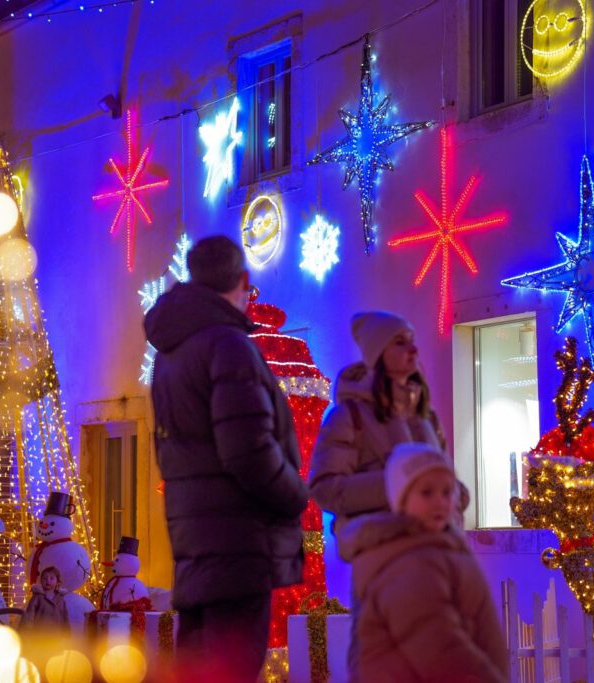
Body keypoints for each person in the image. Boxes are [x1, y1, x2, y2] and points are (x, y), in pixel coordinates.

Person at [144, 235, 308, 682]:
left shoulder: (172, 352)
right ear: (243, 281)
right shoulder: (228, 346)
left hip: (198, 541)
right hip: (238, 540)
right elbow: (248, 450)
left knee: (201, 667)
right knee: (232, 665)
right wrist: (296, 494)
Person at [308, 312, 466, 678]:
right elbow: (326, 488)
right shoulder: (348, 416)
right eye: (399, 341)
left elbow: (445, 480)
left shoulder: (425, 416)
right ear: (377, 352)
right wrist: (399, 486)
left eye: (412, 339)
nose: (412, 349)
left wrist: (453, 497)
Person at [339, 443, 507, 683]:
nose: (440, 502)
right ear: (402, 499)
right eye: (427, 493)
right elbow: (439, 648)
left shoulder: (438, 548)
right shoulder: (409, 562)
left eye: (447, 492)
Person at [19, 566, 70, 631]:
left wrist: (66, 631)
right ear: (41, 581)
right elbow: (29, 615)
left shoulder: (60, 599)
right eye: (44, 578)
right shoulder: (37, 597)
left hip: (56, 635)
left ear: (57, 582)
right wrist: (27, 630)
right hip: (40, 634)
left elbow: (65, 616)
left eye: (51, 578)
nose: (48, 580)